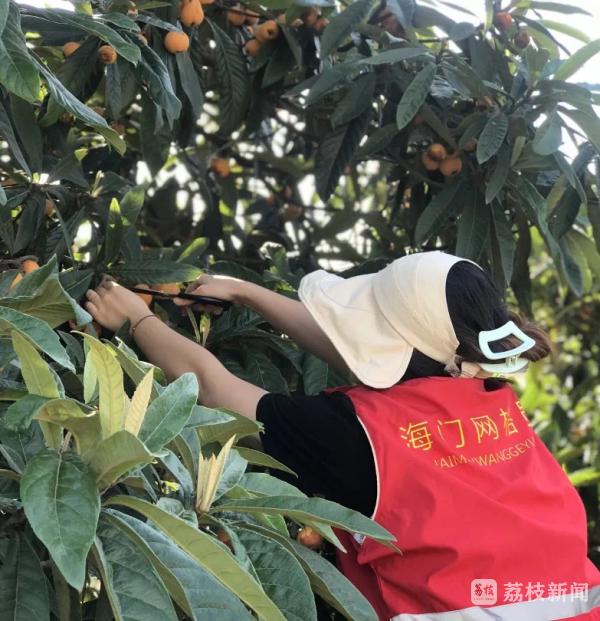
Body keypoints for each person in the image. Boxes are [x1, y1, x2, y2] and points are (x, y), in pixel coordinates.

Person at [85, 251, 600, 620]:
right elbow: (381, 360)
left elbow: (213, 388)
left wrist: (137, 320)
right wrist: (245, 292)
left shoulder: (356, 437)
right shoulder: (485, 389)